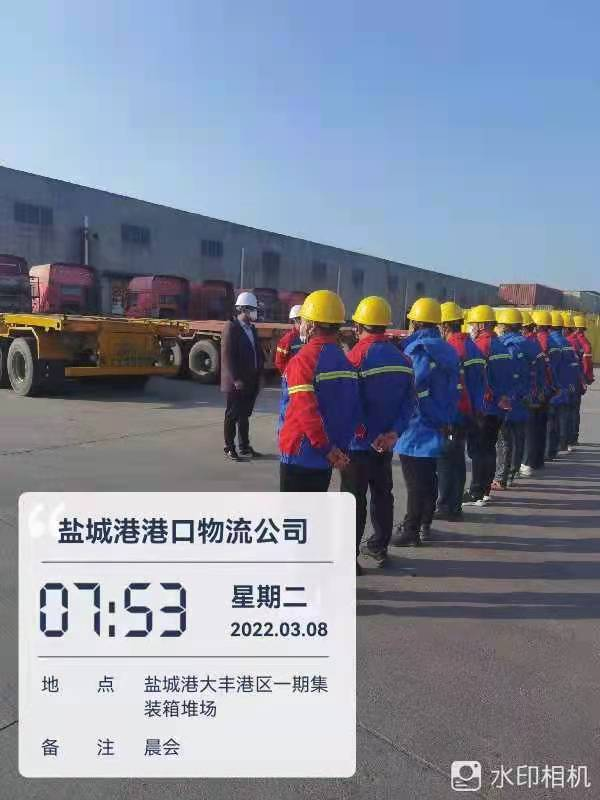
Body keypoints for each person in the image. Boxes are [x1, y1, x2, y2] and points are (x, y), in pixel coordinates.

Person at [340, 296, 415, 568]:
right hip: (386, 444)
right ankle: (379, 547)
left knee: (353, 501)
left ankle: (348, 560)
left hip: (358, 444)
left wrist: (369, 435)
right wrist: (393, 433)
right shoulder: (403, 359)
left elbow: (350, 404)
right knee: (383, 494)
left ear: (359, 326)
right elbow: (410, 402)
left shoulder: (355, 357)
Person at [279, 289, 361, 500]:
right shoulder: (346, 362)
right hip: (328, 456)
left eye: (303, 321)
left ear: (312, 325)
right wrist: (339, 448)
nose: (301, 325)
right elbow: (352, 410)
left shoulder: (302, 361)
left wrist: (325, 448)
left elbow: (306, 411)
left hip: (301, 454)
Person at [391, 298, 461, 546]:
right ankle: (425, 524)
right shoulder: (447, 349)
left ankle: (411, 529)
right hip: (440, 421)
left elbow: (415, 387)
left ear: (416, 323)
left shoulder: (418, 350)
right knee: (429, 477)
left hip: (418, 425)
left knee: (415, 483)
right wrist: (444, 418)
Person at [436, 301, 486, 519]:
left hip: (454, 413)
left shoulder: (452, 349)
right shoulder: (472, 346)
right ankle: (454, 505)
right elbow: (480, 382)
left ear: (445, 325)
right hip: (469, 412)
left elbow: (453, 387)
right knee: (457, 460)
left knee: (447, 462)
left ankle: (447, 507)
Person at [462, 305, 514, 506]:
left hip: (485, 406)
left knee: (478, 450)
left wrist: (491, 397)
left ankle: (476, 492)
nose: (472, 327)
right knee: (489, 448)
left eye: (474, 323)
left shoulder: (482, 345)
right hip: (499, 407)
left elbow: (480, 377)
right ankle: (484, 490)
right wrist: (504, 397)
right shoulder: (501, 345)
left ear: (482, 324)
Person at [491, 308, 533, 489]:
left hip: (509, 398)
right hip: (524, 395)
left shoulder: (505, 346)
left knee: (504, 439)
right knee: (519, 436)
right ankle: (513, 472)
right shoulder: (528, 343)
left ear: (505, 326)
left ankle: (501, 477)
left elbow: (505, 374)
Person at [220, 291, 265, 461]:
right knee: (232, 414)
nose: (255, 313)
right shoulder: (231, 327)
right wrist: (235, 379)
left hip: (251, 380)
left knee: (244, 415)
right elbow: (227, 356)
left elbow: (257, 352)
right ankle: (229, 447)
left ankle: (244, 446)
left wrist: (260, 375)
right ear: (243, 309)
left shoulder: (251, 328)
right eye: (252, 310)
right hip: (237, 382)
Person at [546, 310, 579, 459]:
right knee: (563, 417)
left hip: (555, 387)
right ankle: (563, 445)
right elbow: (573, 365)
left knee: (551, 421)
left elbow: (551, 368)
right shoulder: (567, 343)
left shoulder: (550, 342)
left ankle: (550, 450)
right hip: (567, 385)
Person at [520, 310, 549, 475]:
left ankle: (528, 462)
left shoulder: (525, 344)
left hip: (530, 391)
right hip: (540, 390)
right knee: (538, 427)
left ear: (524, 328)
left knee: (529, 429)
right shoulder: (536, 343)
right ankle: (537, 460)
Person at [571, 314, 595, 445]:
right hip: (580, 379)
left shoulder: (573, 341)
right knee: (574, 409)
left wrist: (584, 378)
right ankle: (573, 437)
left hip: (575, 379)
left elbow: (586, 363)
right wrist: (587, 378)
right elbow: (588, 364)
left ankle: (570, 438)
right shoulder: (585, 342)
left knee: (570, 409)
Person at [275, 304, 303, 373]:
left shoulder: (310, 337)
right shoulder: (287, 340)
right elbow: (279, 362)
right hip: (293, 376)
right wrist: (289, 374)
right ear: (296, 320)